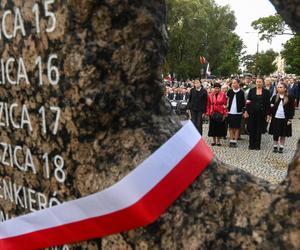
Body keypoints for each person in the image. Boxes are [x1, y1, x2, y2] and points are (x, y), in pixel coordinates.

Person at [244, 77, 271, 150]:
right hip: (252, 113)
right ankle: (251, 145)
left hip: (262, 114)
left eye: (260, 82)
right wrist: (246, 111)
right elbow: (248, 101)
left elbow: (268, 104)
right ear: (255, 82)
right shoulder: (251, 91)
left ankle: (257, 145)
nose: (258, 83)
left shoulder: (266, 92)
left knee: (259, 130)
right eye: (257, 82)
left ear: (262, 83)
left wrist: (268, 114)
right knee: (251, 128)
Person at [269, 82, 295, 153]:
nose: (278, 88)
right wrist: (270, 114)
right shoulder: (275, 97)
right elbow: (271, 108)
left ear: (285, 89)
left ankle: (281, 147)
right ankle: (275, 146)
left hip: (285, 119)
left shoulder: (289, 97)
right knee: (275, 133)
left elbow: (291, 109)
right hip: (276, 118)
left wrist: (290, 119)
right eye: (278, 87)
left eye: (280, 87)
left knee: (283, 133)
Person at [227, 79, 245, 147]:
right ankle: (231, 140)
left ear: (238, 84)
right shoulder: (230, 91)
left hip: (238, 112)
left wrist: (243, 111)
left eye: (235, 83)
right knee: (231, 126)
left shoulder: (241, 92)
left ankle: (235, 140)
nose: (233, 84)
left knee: (237, 127)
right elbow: (227, 100)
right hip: (230, 111)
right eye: (233, 83)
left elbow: (243, 102)